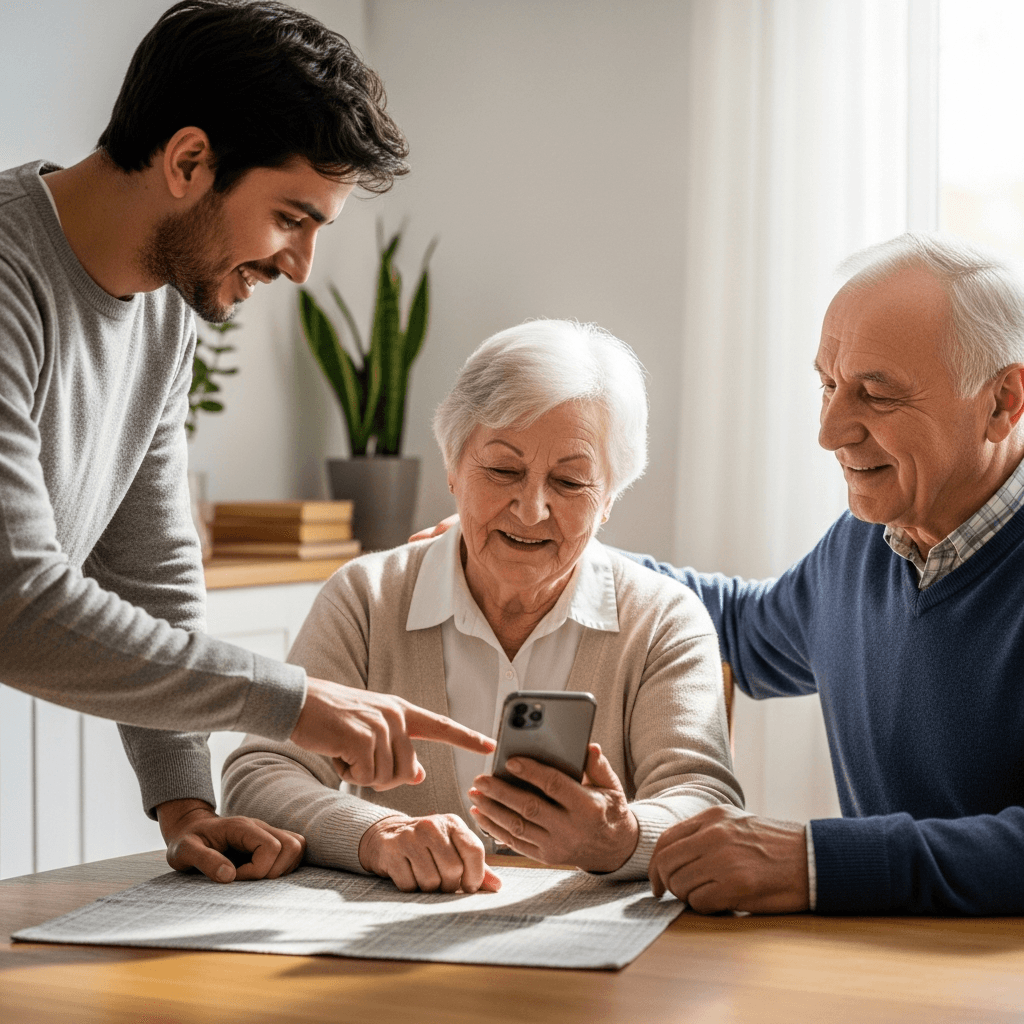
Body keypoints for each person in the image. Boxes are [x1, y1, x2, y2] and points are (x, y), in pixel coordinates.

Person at [0, 0, 494, 887]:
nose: (301, 266)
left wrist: (185, 801)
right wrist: (295, 705)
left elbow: (147, 564)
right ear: (190, 161)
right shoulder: (6, 276)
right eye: (292, 219)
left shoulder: (161, 308)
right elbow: (12, 598)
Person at [418, 234, 1024, 916]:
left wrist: (815, 862)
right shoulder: (865, 547)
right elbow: (740, 625)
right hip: (904, 965)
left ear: (1003, 401)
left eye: (875, 396)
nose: (829, 431)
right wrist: (548, 544)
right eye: (827, 385)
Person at [221, 319, 742, 894]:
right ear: (452, 466)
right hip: (399, 950)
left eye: (570, 482)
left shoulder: (665, 618)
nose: (531, 509)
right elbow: (261, 772)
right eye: (503, 471)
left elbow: (707, 800)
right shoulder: (367, 598)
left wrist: (620, 838)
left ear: (610, 498)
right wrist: (380, 834)